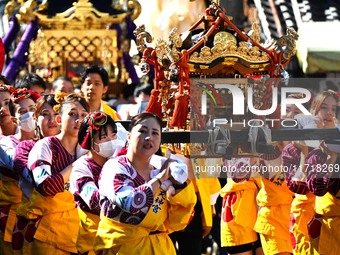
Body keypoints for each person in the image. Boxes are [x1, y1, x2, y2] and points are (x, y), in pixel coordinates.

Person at [94, 112, 196, 255]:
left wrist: (179, 186)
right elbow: (129, 202)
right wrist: (159, 179)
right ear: (129, 137)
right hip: (124, 249)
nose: (149, 137)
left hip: (160, 247)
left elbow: (177, 221)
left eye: (155, 133)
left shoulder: (161, 169)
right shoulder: (115, 167)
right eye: (142, 131)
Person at [27, 93, 89, 254]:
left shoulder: (88, 150)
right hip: (48, 235)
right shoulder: (45, 146)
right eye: (72, 113)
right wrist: (78, 164)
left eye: (83, 115)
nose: (78, 119)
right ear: (59, 119)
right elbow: (46, 187)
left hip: (80, 235)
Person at [11, 94, 61, 254]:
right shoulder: (25, 148)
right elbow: (40, 184)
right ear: (36, 118)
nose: (51, 119)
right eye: (45, 114)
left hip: (72, 226)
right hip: (34, 229)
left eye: (56, 113)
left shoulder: (76, 149)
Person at [69, 111, 122, 255]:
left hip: (118, 238)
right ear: (90, 141)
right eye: (104, 137)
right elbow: (94, 200)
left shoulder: (118, 162)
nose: (111, 141)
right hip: (92, 239)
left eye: (113, 135)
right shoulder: (81, 168)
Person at [0, 88, 40, 255]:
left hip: (42, 215)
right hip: (11, 213)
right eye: (22, 111)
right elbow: (20, 164)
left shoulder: (47, 141)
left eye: (32, 110)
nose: (28, 115)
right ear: (14, 118)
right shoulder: (5, 145)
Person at [303, 90, 340, 254]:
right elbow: (318, 188)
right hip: (328, 227)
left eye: (334, 108)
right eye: (324, 108)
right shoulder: (313, 150)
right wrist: (331, 158)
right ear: (314, 112)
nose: (330, 112)